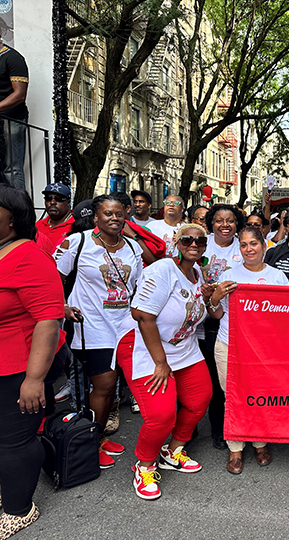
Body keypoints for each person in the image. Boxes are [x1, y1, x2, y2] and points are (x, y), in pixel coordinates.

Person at [115, 223, 212, 500]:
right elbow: (143, 316)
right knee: (160, 416)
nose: (193, 244)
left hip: (182, 347)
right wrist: (160, 363)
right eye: (187, 240)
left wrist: (209, 299)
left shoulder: (197, 272)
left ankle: (173, 451)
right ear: (176, 243)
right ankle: (144, 466)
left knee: (199, 400)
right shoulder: (162, 270)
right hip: (145, 346)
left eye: (200, 241)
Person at [56, 194, 144, 469]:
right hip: (92, 326)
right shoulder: (77, 242)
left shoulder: (133, 247)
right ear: (96, 217)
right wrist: (62, 306)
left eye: (119, 213)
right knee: (104, 385)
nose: (114, 218)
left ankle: (99, 437)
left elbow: (139, 285)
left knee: (112, 388)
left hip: (125, 327)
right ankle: (90, 443)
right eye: (107, 213)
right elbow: (53, 277)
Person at [0, 185, 64, 537]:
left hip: (18, 366)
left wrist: (34, 379)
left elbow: (48, 320)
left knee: (15, 440)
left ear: (12, 218)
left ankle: (19, 509)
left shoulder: (29, 256)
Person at [209, 226, 289, 474]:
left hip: (263, 349)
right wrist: (215, 298)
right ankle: (235, 448)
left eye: (253, 244)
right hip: (229, 344)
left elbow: (285, 317)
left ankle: (259, 442)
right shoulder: (228, 275)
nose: (248, 249)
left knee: (258, 396)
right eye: (243, 245)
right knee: (232, 397)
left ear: (264, 246)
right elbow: (217, 314)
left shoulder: (278, 277)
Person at [200, 204, 245, 449]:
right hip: (200, 317)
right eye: (219, 220)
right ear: (211, 223)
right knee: (210, 380)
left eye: (230, 220)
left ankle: (234, 428)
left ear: (237, 224)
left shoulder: (244, 246)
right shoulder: (200, 243)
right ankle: (214, 429)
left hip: (231, 320)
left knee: (230, 381)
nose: (225, 225)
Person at [0, 42, 29, 189]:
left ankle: (16, 204)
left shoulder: (12, 58)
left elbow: (19, 94)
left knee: (12, 169)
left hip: (11, 119)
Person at [36, 183, 75, 250]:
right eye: (48, 198)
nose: (52, 202)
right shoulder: (38, 226)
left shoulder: (76, 226)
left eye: (58, 199)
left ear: (68, 202)